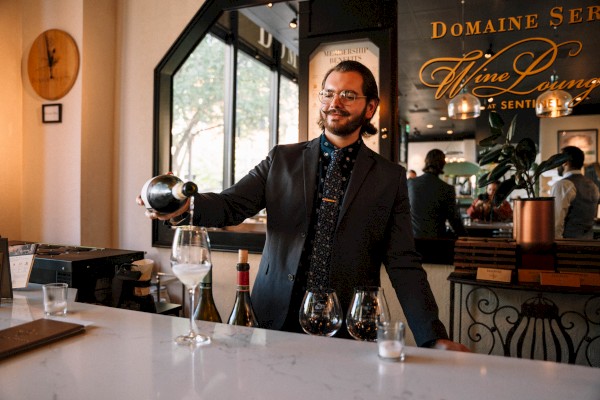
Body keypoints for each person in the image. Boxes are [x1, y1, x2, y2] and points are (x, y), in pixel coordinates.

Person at [139, 60, 469, 352]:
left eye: (348, 95)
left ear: (370, 108)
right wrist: (182, 206)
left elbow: (403, 263)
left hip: (350, 326)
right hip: (273, 316)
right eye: (328, 93)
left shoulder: (390, 178)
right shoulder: (282, 159)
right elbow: (230, 205)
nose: (334, 103)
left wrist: (431, 336)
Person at [407, 149, 467, 238]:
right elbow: (454, 221)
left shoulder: (410, 184)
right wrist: (465, 237)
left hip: (412, 242)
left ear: (426, 162)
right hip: (437, 244)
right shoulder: (447, 189)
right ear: (442, 164)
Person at [551, 146, 600, 239]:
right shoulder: (593, 185)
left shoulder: (563, 185)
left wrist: (555, 247)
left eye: (559, 160)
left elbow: (556, 223)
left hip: (568, 246)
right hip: (589, 245)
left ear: (565, 162)